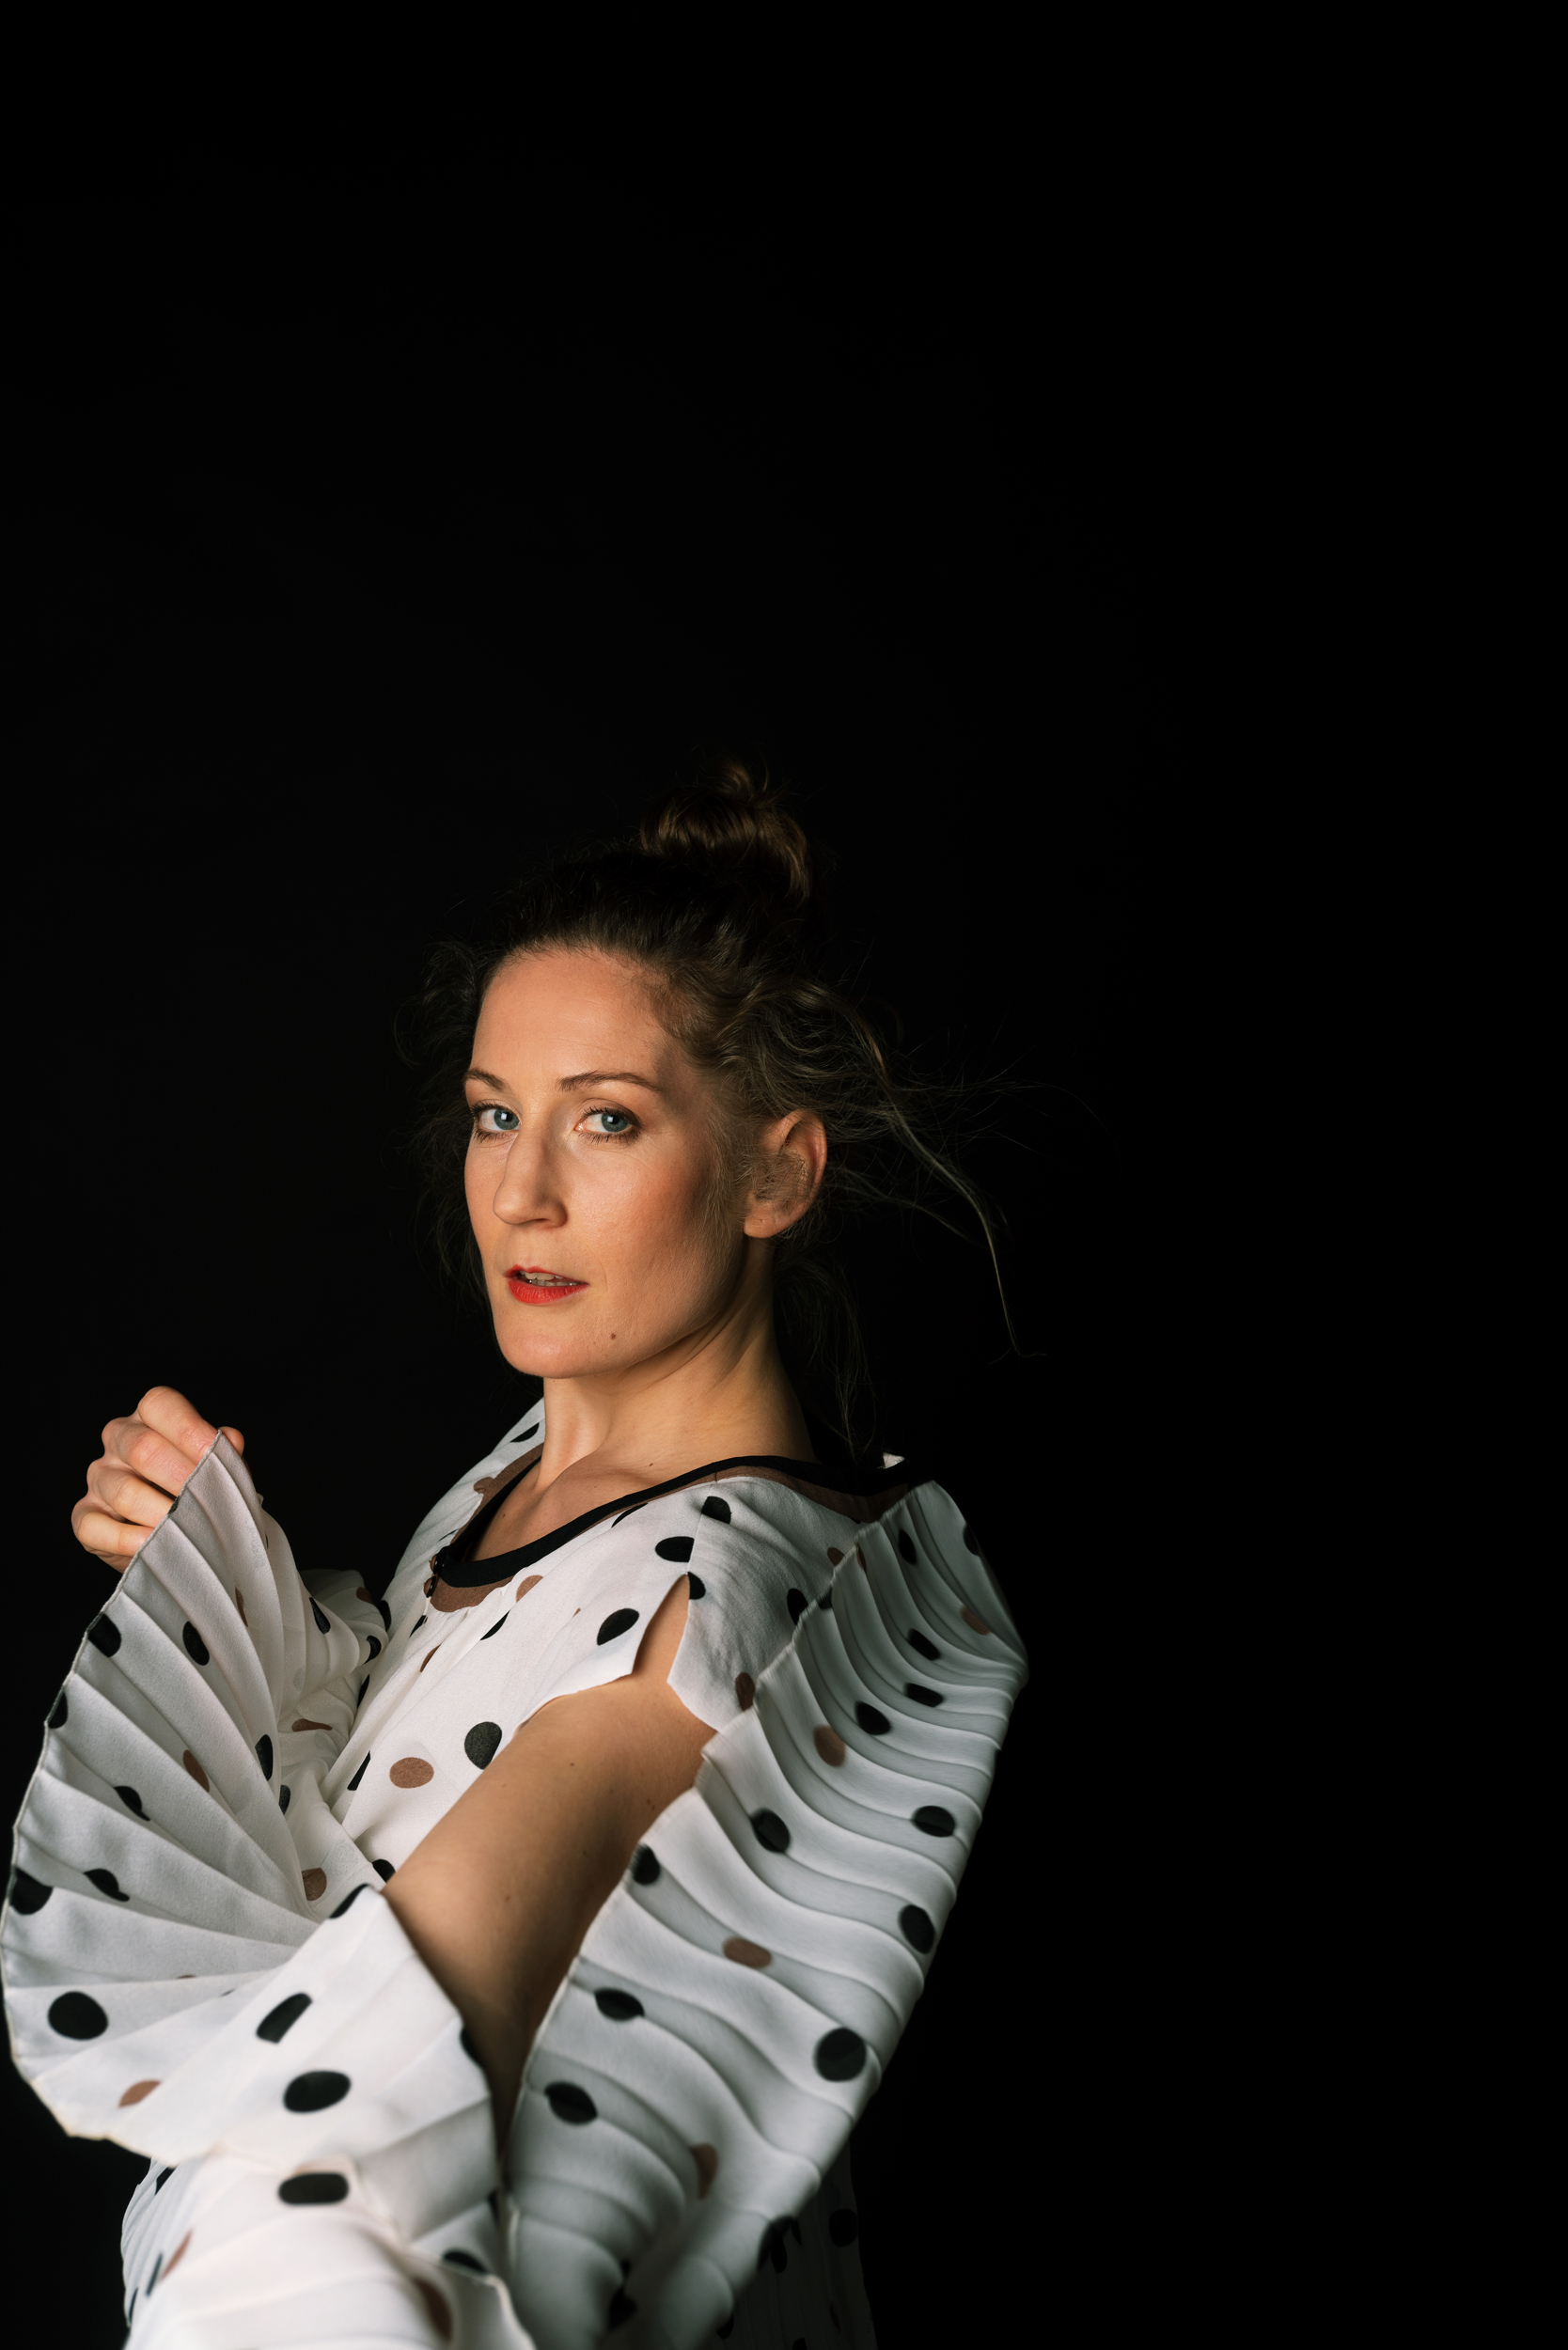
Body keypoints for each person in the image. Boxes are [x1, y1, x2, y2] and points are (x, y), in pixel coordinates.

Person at [6, 763, 1028, 2348]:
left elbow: (366, 2110)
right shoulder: (536, 1473)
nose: (522, 1194)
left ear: (777, 1172)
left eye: (606, 1120)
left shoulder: (707, 1597)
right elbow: (418, 1775)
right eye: (497, 1114)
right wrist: (231, 1589)